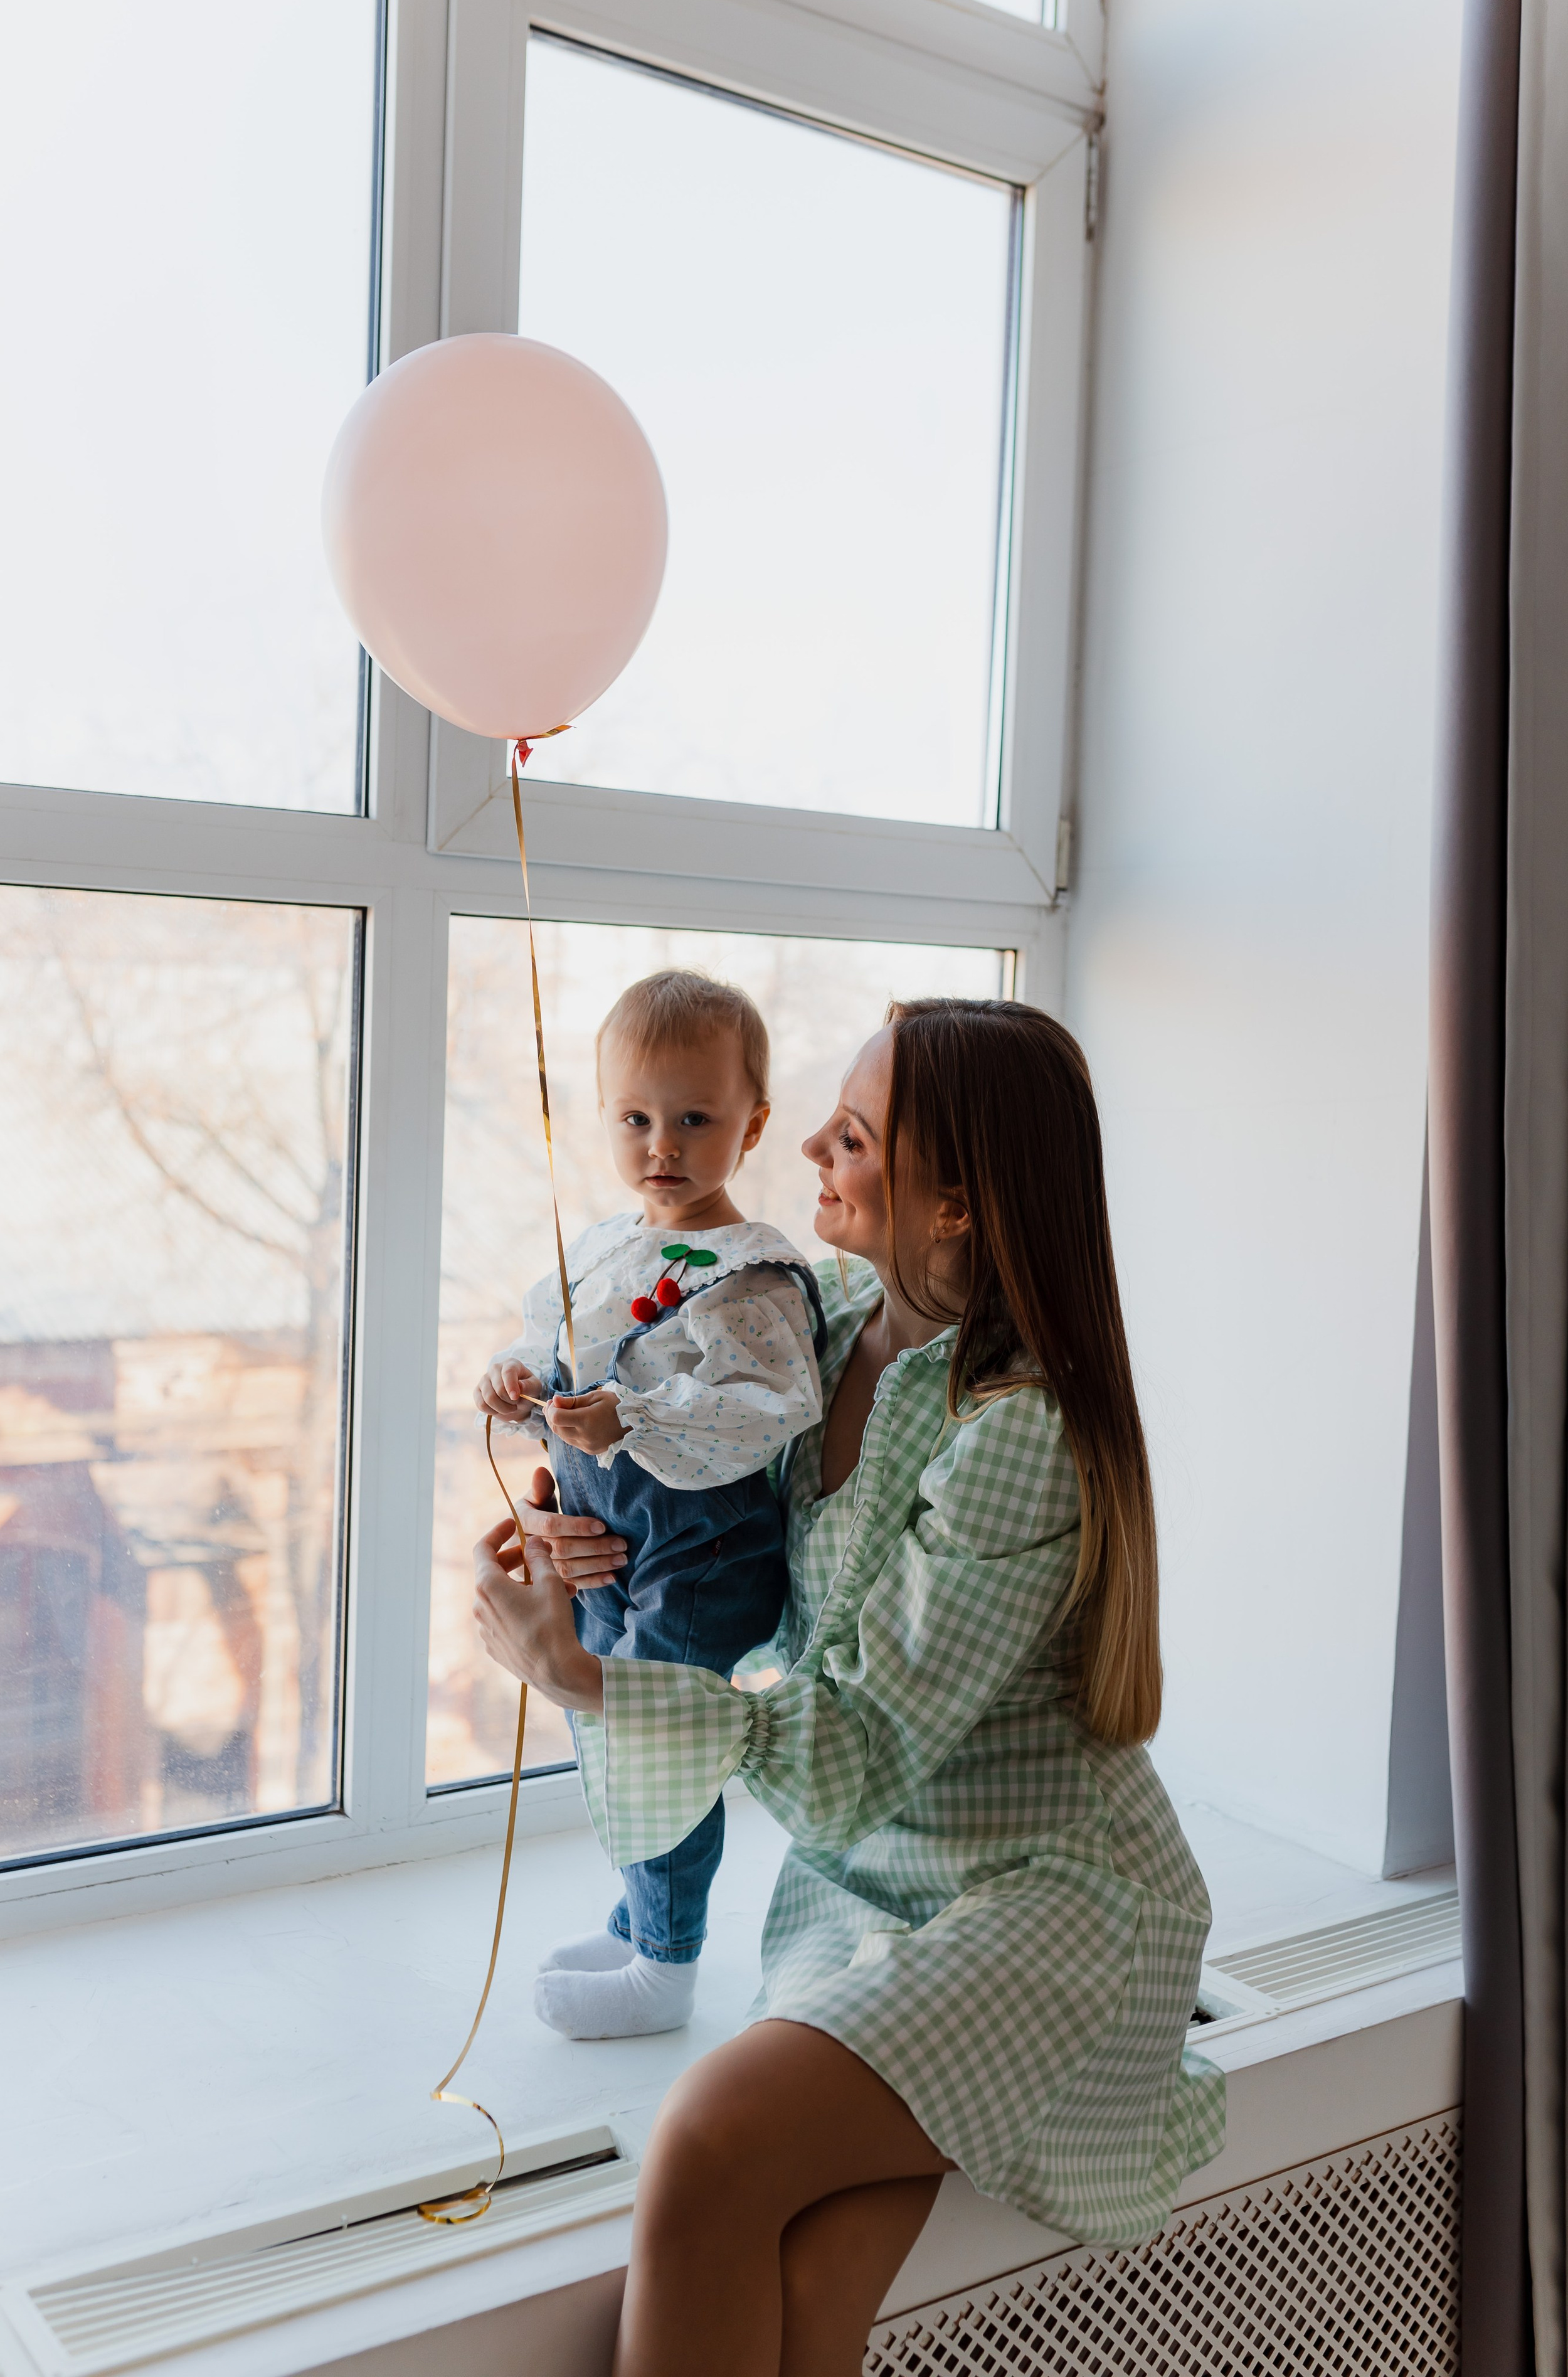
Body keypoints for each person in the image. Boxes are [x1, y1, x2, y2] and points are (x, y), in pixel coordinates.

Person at [473, 997, 1224, 2377]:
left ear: (952, 1204)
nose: (808, 1138)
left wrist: (586, 1681)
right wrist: (580, 1521)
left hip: (1037, 1898)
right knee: (809, 2292)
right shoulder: (808, 1320)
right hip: (858, 1882)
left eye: (858, 1132)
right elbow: (694, 1500)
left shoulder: (1017, 1433)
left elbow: (861, 1748)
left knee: (703, 2141)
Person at [475, 968, 823, 2039]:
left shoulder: (748, 1271)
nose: (661, 1145)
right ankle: (637, 1920)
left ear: (752, 1125)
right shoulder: (607, 1250)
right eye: (636, 1118)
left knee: (656, 1745)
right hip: (609, 1543)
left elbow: (773, 1406)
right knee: (606, 1734)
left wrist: (635, 1417)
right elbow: (561, 1345)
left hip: (699, 1551)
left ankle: (669, 1962)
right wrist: (518, 1381)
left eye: (694, 1118)